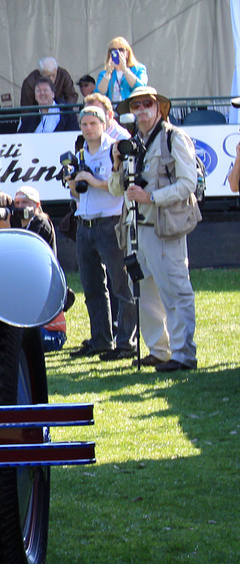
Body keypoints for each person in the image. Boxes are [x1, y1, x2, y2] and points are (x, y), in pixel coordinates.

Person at [109, 86, 199, 372]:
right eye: (136, 106)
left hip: (165, 228)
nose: (141, 110)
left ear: (159, 108)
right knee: (145, 294)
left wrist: (151, 197)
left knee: (175, 291)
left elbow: (188, 184)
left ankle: (184, 355)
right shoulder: (130, 144)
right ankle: (159, 351)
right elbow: (115, 189)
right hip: (135, 229)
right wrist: (116, 164)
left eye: (147, 104)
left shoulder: (174, 138)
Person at [66, 101, 137, 360]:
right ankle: (101, 340)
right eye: (84, 124)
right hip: (84, 222)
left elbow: (118, 185)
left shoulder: (114, 150)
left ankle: (126, 342)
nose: (88, 128)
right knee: (92, 287)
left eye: (93, 123)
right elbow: (76, 193)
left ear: (104, 124)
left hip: (110, 221)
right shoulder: (80, 152)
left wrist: (91, 180)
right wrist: (74, 182)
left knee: (121, 284)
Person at [11, 78, 77, 134]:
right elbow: (20, 137)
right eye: (38, 91)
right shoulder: (30, 116)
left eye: (45, 90)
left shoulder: (67, 113)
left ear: (53, 94)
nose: (42, 93)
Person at [94, 37, 148, 105]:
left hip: (132, 109)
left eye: (121, 50)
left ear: (127, 53)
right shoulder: (104, 74)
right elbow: (99, 93)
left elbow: (141, 88)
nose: (118, 53)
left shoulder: (139, 68)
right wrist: (108, 74)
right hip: (112, 111)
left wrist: (125, 70)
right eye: (113, 50)